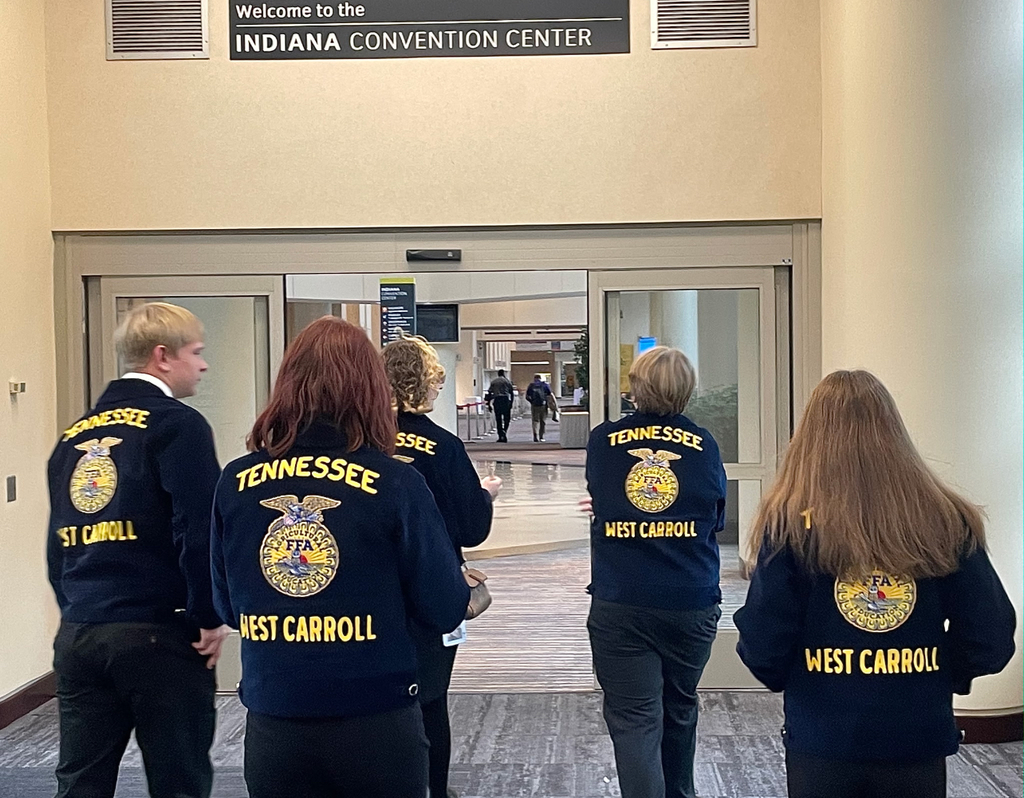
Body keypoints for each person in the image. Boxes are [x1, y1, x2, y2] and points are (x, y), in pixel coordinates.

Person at [210, 317, 469, 798]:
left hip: (276, 713)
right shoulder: (395, 482)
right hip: (375, 715)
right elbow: (444, 607)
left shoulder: (236, 482)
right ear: (369, 388)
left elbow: (227, 607)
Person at [734, 370, 1016, 798]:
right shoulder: (947, 518)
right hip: (916, 733)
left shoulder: (790, 524)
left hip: (824, 735)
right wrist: (940, 675)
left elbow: (763, 640)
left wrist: (798, 679)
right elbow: (990, 633)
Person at [46, 301, 229, 798]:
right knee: (178, 780)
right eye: (196, 352)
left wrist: (79, 609)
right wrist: (209, 615)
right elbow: (198, 529)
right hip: (158, 633)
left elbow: (58, 545)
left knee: (80, 782)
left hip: (82, 633)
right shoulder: (178, 425)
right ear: (162, 356)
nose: (203, 365)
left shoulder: (73, 437)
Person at [582, 346, 726, 798]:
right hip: (690, 598)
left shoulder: (603, 441)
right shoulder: (704, 444)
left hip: (621, 598)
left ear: (635, 387)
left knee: (634, 720)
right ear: (687, 390)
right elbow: (716, 518)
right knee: (679, 707)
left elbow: (601, 497)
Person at [383, 334, 502, 798]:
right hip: (430, 590)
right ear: (422, 383)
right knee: (430, 699)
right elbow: (471, 529)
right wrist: (485, 496)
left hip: (373, 590)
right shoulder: (443, 446)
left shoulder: (360, 441)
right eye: (435, 379)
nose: (439, 386)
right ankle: (433, 788)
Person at [487, 368, 515, 442]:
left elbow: (490, 393)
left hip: (497, 400)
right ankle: (504, 431)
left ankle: (500, 435)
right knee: (507, 419)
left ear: (498, 374)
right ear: (503, 374)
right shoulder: (507, 381)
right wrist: (511, 403)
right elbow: (511, 393)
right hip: (505, 400)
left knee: (498, 419)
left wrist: (489, 404)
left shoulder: (494, 382)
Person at [526, 374, 553, 442]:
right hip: (543, 405)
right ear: (540, 378)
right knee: (543, 421)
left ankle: (535, 434)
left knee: (535, 420)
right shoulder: (544, 385)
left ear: (534, 378)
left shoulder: (531, 385)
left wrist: (532, 402)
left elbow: (527, 396)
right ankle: (541, 436)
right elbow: (549, 394)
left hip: (534, 405)